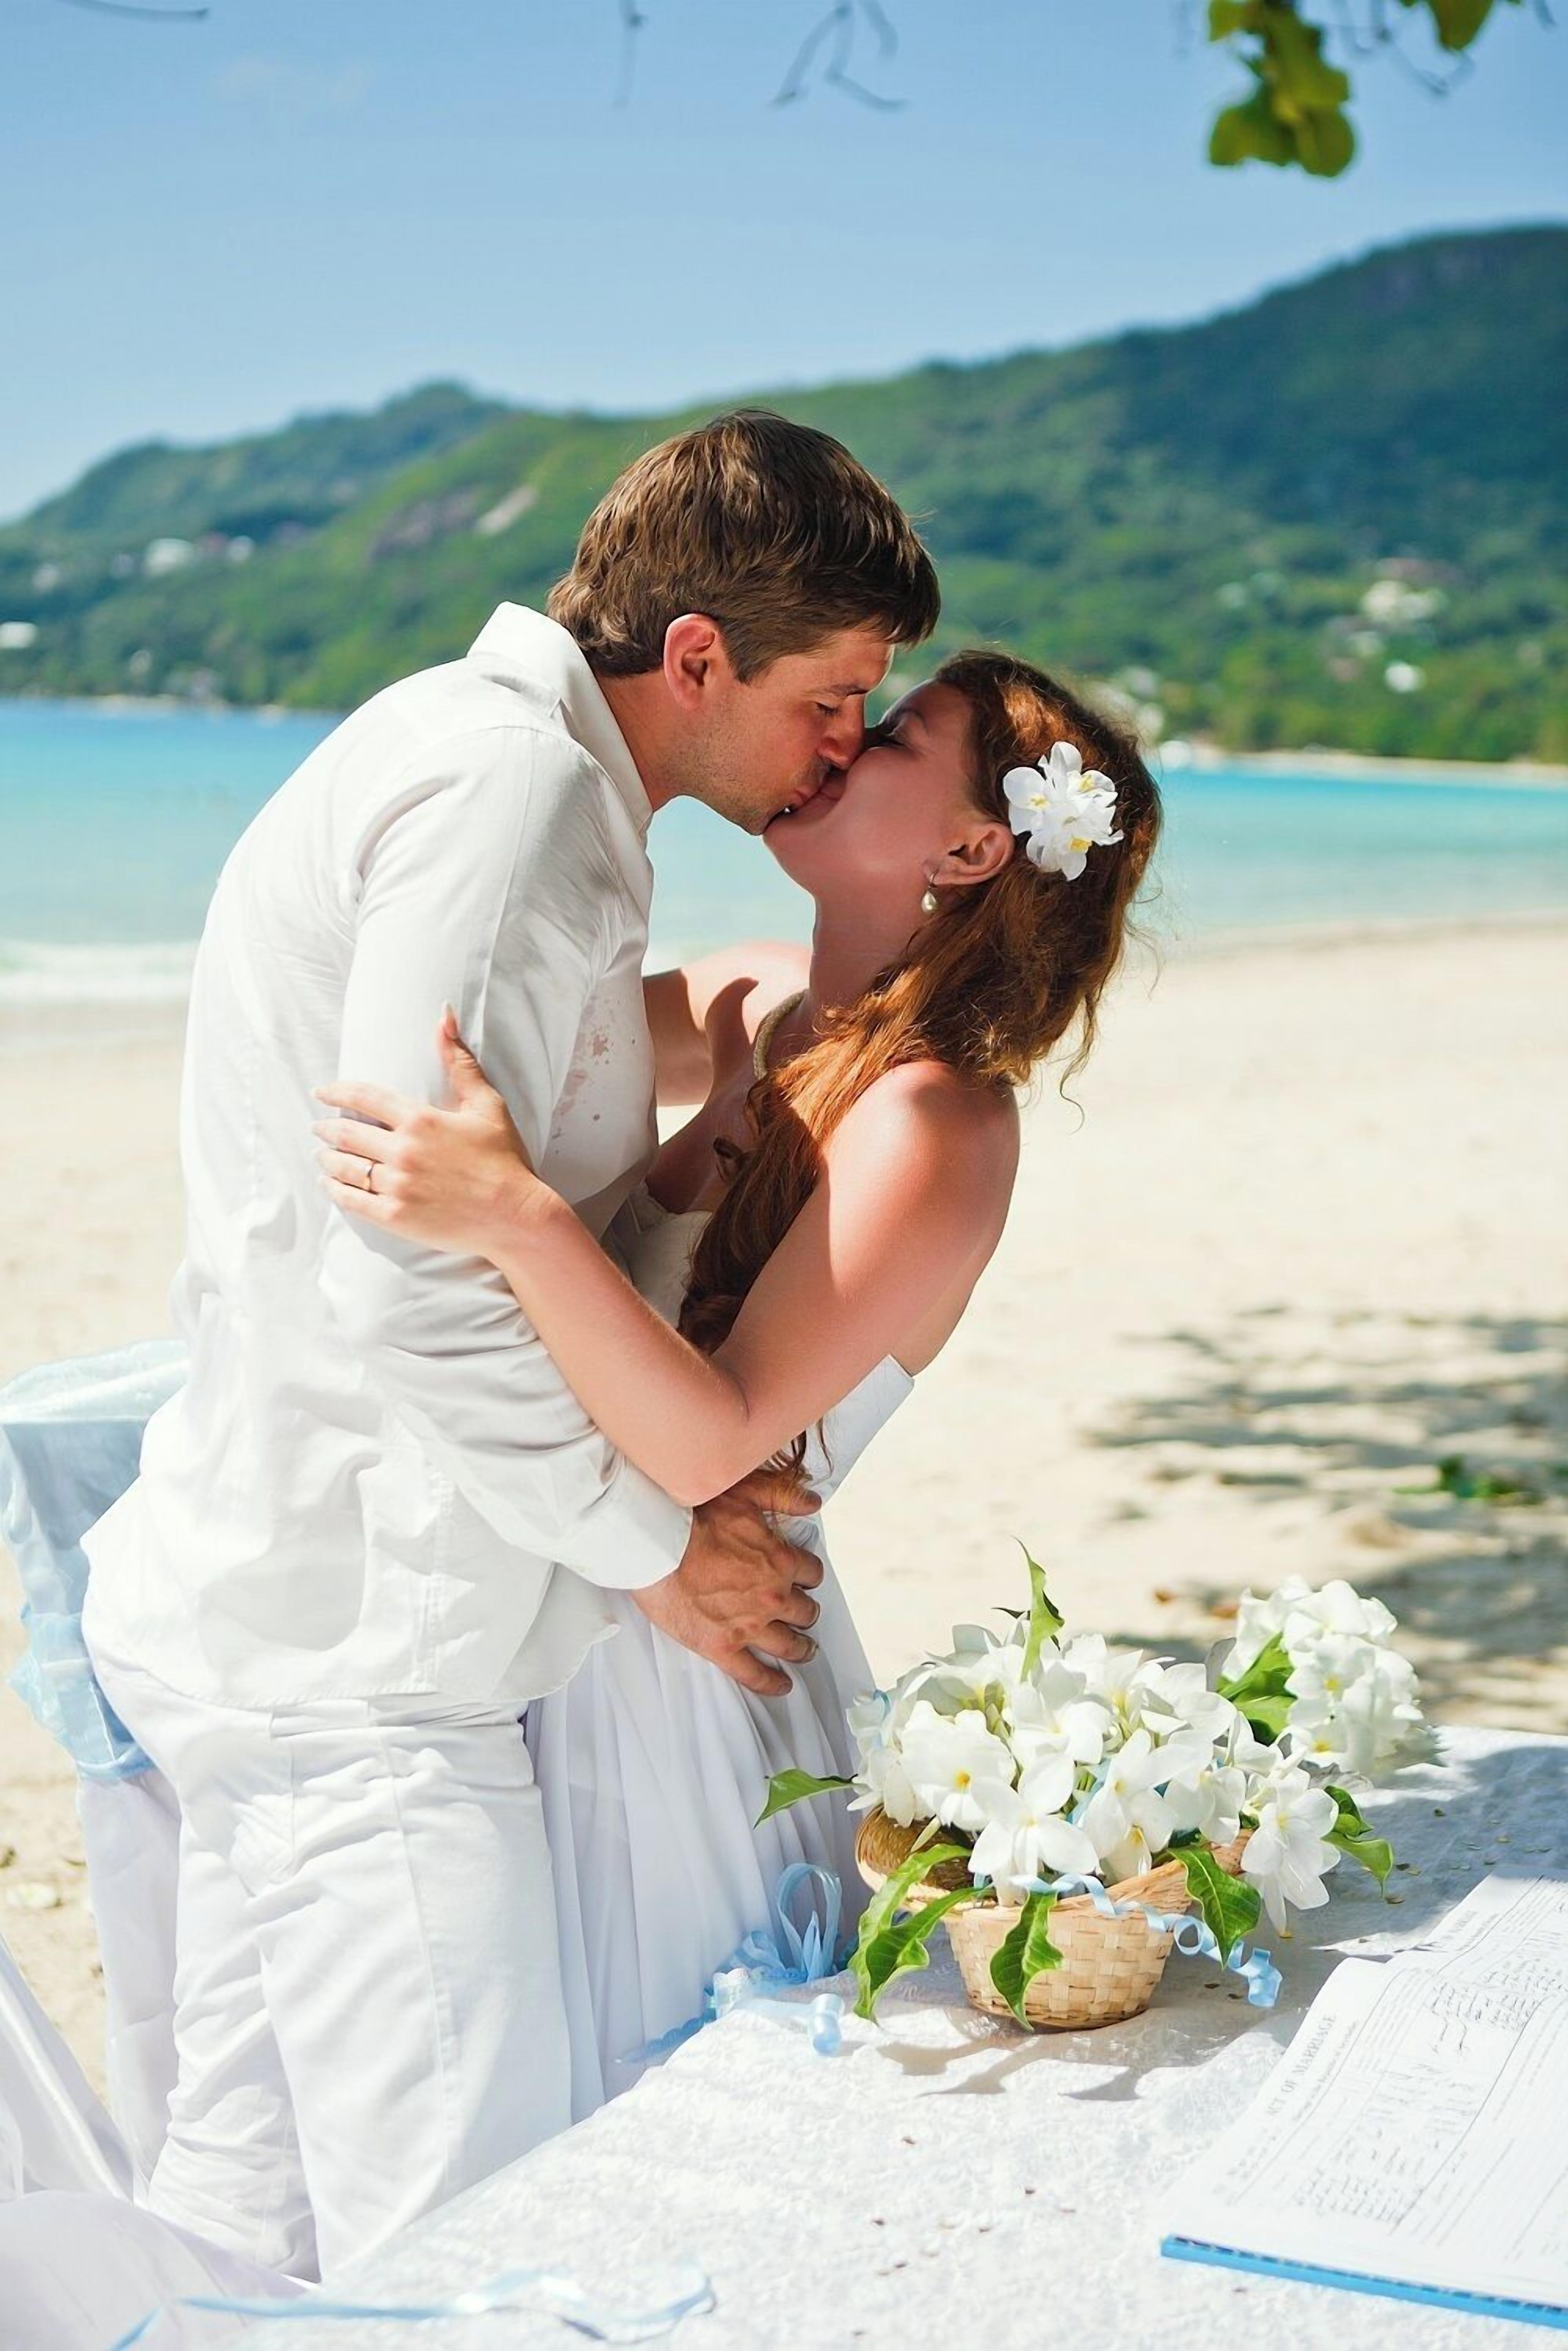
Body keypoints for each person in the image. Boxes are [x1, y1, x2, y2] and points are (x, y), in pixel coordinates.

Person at [70, 409, 941, 2280]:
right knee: (476, 2249)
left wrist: (677, 1169)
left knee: (239, 2230)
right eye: (831, 697)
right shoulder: (511, 796)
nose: (843, 744)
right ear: (695, 657)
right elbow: (405, 1262)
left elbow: (474, 1202)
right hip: (363, 1662)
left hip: (290, 1606)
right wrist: (655, 1553)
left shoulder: (497, 764)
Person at [315, 648, 1162, 2114]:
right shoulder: (765, 1004)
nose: (839, 745)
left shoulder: (935, 1125)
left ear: (970, 849)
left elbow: (710, 1443)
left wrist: (512, 1209)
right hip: (571, 1587)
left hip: (689, 1661)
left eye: (893, 733)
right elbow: (473, 1002)